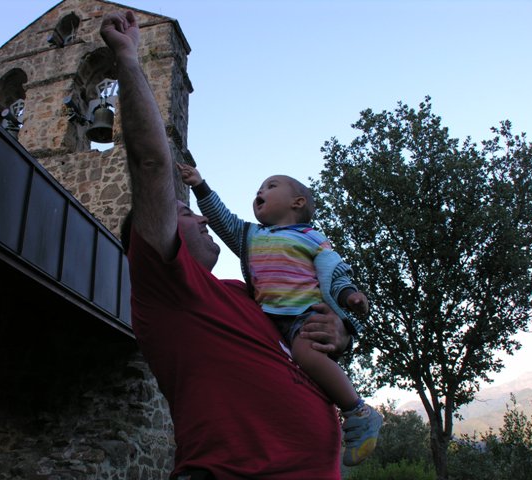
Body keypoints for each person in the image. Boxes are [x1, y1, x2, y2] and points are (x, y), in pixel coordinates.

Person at [101, 10, 354, 480]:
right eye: (184, 215)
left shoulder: (247, 293)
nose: (200, 219)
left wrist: (338, 334)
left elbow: (306, 328)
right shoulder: (166, 290)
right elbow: (152, 162)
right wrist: (128, 60)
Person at [177, 164, 383, 466]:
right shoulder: (251, 236)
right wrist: (200, 185)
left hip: (304, 315)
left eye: (271, 186)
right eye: (260, 188)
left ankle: (358, 411)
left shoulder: (312, 238)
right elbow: (223, 220)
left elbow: (334, 273)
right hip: (270, 322)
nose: (260, 191)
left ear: (297, 202)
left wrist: (350, 297)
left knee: (307, 355)